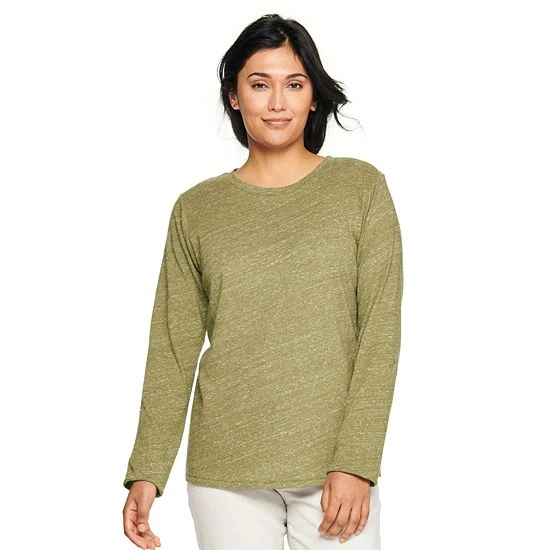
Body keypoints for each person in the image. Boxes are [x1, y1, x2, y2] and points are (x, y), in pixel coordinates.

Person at [122, 13, 403, 550]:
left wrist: (356, 461)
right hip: (224, 470)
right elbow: (174, 350)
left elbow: (379, 334)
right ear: (234, 96)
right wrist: (147, 470)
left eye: (294, 84)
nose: (277, 102)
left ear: (313, 97)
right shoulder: (197, 209)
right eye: (259, 84)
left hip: (333, 470)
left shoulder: (359, 189)